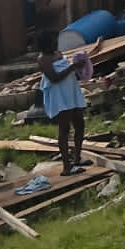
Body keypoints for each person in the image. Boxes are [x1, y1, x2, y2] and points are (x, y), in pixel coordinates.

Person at [36, 30, 88, 175]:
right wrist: (72, 67)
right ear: (46, 44)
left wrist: (78, 68)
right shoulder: (43, 59)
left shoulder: (57, 53)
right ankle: (66, 166)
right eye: (53, 41)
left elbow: (65, 69)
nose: (56, 44)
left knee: (79, 124)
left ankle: (77, 158)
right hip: (60, 96)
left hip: (71, 91)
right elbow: (54, 78)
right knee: (64, 129)